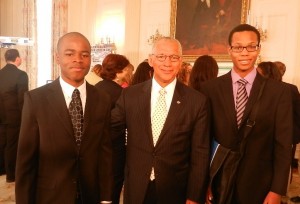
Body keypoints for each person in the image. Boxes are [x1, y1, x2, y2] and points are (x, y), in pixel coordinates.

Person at [15, 32, 113, 204]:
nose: (78, 59)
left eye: (84, 55)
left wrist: (106, 197)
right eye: (69, 54)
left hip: (90, 194)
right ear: (57, 58)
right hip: (50, 196)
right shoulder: (35, 100)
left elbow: (105, 153)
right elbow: (26, 162)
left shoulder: (102, 99)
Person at [200, 24, 293, 204]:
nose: (245, 52)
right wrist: (204, 183)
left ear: (258, 49)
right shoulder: (210, 89)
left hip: (260, 185)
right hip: (220, 182)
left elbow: (283, 144)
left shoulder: (278, 92)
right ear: (229, 50)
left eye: (251, 46)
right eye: (238, 47)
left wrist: (277, 190)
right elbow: (203, 141)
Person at [111, 37, 210, 204]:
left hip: (175, 190)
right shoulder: (130, 96)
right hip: (136, 188)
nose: (167, 63)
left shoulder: (197, 102)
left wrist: (194, 196)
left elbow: (200, 154)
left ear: (181, 62)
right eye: (161, 56)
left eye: (173, 57)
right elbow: (111, 133)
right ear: (151, 60)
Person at [95, 53, 131, 204]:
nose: (130, 72)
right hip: (114, 148)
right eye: (128, 69)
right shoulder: (122, 94)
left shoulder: (94, 89)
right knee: (113, 189)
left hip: (95, 147)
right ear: (119, 71)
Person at [0, 49, 28, 181]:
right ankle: (11, 175)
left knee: (2, 143)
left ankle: (2, 170)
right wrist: (25, 117)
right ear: (17, 59)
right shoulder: (21, 75)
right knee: (12, 145)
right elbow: (22, 99)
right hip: (14, 116)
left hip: (1, 115)